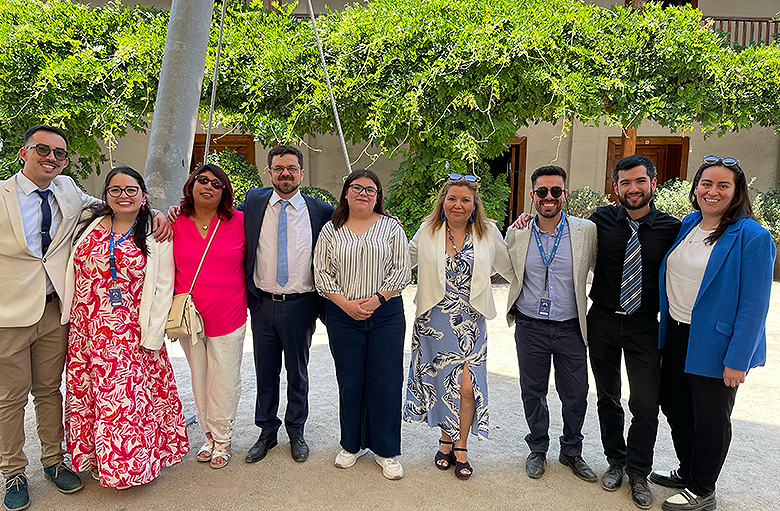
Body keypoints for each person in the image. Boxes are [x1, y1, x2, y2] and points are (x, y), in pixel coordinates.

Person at [0, 125, 170, 510]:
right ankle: (13, 471)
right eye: (42, 149)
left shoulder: (68, 190)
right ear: (23, 152)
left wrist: (157, 211)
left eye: (59, 153)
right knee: (9, 397)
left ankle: (53, 461)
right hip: (9, 314)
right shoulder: (2, 195)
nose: (51, 158)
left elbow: (118, 200)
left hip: (57, 311)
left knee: (50, 390)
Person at [652, 157, 774, 511]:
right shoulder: (690, 223)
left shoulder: (753, 237)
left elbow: (754, 306)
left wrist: (738, 361)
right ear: (695, 188)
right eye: (706, 184)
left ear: (737, 192)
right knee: (674, 406)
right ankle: (688, 471)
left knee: (710, 419)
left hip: (716, 344)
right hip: (676, 332)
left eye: (723, 185)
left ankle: (702, 488)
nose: (713, 191)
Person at [60, 167, 188, 489]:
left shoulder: (155, 231)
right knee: (91, 397)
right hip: (87, 330)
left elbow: (163, 286)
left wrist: (153, 335)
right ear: (105, 195)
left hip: (130, 333)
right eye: (115, 190)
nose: (123, 196)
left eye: (131, 190)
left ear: (143, 195)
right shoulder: (89, 223)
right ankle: (95, 460)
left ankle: (129, 468)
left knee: (124, 401)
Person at [404, 174, 513, 480]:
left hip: (471, 322)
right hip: (434, 321)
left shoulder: (488, 232)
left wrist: (523, 233)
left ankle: (461, 445)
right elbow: (402, 261)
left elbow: (511, 267)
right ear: (443, 202)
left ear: (474, 204)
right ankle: (446, 440)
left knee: (467, 386)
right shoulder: (428, 231)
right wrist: (387, 233)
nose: (458, 205)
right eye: (452, 198)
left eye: (465, 200)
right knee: (442, 382)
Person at [587, 155, 681, 508]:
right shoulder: (600, 220)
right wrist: (525, 219)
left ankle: (639, 471)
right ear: (616, 187)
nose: (633, 188)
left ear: (653, 183)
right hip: (602, 321)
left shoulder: (673, 228)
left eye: (640, 181)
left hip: (644, 325)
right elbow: (562, 229)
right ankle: (616, 461)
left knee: (645, 403)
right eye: (625, 183)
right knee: (607, 396)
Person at [314, 169, 411, 480]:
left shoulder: (391, 227)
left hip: (386, 314)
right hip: (343, 315)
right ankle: (351, 444)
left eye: (370, 189)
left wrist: (376, 300)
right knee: (350, 380)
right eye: (357, 187)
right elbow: (321, 273)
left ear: (378, 196)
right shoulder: (331, 230)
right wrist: (345, 304)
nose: (363, 194)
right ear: (346, 192)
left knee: (386, 380)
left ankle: (386, 450)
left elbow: (402, 269)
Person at [240, 145, 334, 464]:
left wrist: (382, 218)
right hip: (262, 304)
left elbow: (352, 224)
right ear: (269, 172)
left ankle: (296, 431)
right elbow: (221, 217)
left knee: (297, 372)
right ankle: (267, 432)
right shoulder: (254, 202)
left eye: (291, 168)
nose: (285, 174)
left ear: (301, 173)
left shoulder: (320, 210)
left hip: (301, 305)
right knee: (265, 373)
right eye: (279, 168)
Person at [505, 166, 598, 482]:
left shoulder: (586, 231)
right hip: (530, 326)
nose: (549, 197)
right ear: (532, 196)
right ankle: (537, 447)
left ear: (564, 195)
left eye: (555, 191)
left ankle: (571, 450)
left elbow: (602, 266)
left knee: (576, 393)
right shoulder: (517, 233)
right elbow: (504, 267)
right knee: (533, 391)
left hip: (570, 326)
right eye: (542, 191)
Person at [172, 164, 247, 469]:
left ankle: (223, 438)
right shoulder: (174, 222)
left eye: (217, 184)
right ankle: (207, 435)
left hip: (228, 313)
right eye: (203, 181)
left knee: (225, 380)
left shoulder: (239, 221)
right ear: (191, 186)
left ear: (224, 192)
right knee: (200, 378)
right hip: (190, 318)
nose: (209, 187)